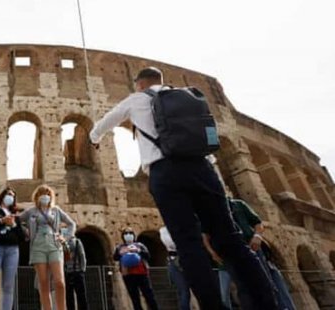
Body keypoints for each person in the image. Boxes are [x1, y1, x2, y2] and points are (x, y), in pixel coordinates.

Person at [89, 67, 278, 309]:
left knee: (188, 244)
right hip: (203, 168)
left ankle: (212, 306)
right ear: (162, 81)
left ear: (139, 84)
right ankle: (266, 302)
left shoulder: (136, 100)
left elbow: (103, 124)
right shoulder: (191, 96)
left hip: (165, 172)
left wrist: (94, 139)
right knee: (231, 239)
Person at [19, 184, 76, 310]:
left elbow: (72, 224)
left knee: (59, 282)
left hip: (54, 244)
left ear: (51, 197)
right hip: (38, 245)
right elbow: (17, 221)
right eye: (42, 194)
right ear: (37, 197)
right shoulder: (31, 211)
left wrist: (65, 237)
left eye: (47, 194)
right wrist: (26, 231)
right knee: (43, 283)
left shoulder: (56, 210)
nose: (45, 196)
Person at [113, 227, 158, 310]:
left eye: (130, 233)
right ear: (123, 236)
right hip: (128, 275)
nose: (128, 235)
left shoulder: (140, 245)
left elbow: (148, 256)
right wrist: (121, 253)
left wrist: (138, 250)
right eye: (126, 233)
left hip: (142, 274)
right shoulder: (120, 247)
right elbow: (115, 257)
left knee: (149, 296)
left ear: (133, 235)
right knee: (135, 298)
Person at [159, 226, 190, 310]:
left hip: (187, 259)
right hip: (176, 261)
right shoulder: (164, 230)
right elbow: (171, 243)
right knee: (183, 291)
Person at [63, 228, 88, 310]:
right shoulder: (77, 242)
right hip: (75, 271)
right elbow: (82, 256)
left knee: (70, 296)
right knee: (80, 295)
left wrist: (82, 270)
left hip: (70, 272)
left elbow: (82, 256)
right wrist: (82, 270)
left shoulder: (75, 242)